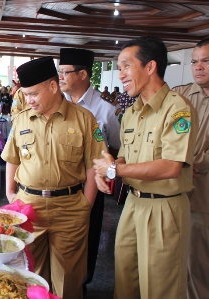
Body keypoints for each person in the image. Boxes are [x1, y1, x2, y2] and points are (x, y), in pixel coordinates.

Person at [93, 36, 198, 299]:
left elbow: (171, 166)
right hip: (133, 205)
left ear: (150, 67)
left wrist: (116, 170)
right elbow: (126, 160)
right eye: (119, 68)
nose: (121, 75)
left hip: (165, 208)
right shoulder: (131, 112)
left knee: (160, 288)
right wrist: (105, 168)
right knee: (125, 281)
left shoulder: (177, 109)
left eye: (126, 66)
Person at [1, 56, 106, 298]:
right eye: (26, 94)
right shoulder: (21, 119)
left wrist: (86, 204)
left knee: (69, 278)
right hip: (29, 208)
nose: (29, 100)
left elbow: (94, 164)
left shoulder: (83, 119)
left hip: (70, 209)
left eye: (33, 94)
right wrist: (10, 194)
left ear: (52, 86)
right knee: (31, 274)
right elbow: (12, 158)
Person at [58, 47, 121, 295]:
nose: (60, 77)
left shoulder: (106, 111)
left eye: (66, 72)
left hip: (88, 189)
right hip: (59, 189)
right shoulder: (57, 105)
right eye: (59, 71)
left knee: (86, 241)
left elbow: (115, 148)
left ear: (83, 74)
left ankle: (80, 286)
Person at [172, 38, 209, 299]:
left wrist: (196, 162)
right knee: (177, 263)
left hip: (204, 196)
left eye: (206, 61)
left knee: (198, 267)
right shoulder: (182, 96)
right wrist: (181, 161)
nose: (199, 67)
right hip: (178, 192)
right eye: (195, 61)